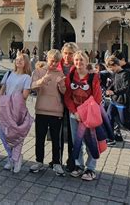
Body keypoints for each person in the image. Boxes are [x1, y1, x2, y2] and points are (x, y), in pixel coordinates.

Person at [64, 51, 102, 181]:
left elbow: (97, 98)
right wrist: (74, 111)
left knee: (90, 141)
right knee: (77, 141)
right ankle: (79, 165)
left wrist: (84, 112)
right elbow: (68, 96)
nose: (79, 63)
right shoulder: (71, 76)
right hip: (74, 114)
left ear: (86, 61)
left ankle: (91, 168)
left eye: (81, 60)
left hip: (88, 114)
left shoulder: (93, 77)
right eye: (76, 60)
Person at [0, 52, 32, 173]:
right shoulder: (9, 73)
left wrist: (13, 99)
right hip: (5, 107)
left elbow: (25, 95)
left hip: (17, 108)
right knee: (2, 131)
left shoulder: (27, 77)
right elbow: (2, 89)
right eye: (17, 59)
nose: (19, 61)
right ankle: (13, 157)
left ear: (26, 62)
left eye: (22, 60)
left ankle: (15, 160)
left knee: (16, 134)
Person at [30, 50, 66, 176]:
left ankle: (56, 163)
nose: (55, 63)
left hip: (56, 111)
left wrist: (62, 86)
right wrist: (42, 81)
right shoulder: (39, 71)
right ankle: (39, 161)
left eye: (57, 61)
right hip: (41, 109)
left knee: (56, 139)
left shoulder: (60, 73)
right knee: (40, 138)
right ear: (47, 59)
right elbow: (32, 86)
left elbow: (64, 92)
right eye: (52, 60)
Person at [59, 42, 79, 172]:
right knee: (59, 132)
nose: (67, 56)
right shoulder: (57, 65)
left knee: (73, 134)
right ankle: (57, 159)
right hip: (58, 102)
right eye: (65, 53)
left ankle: (72, 161)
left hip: (73, 104)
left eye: (70, 54)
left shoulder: (77, 68)